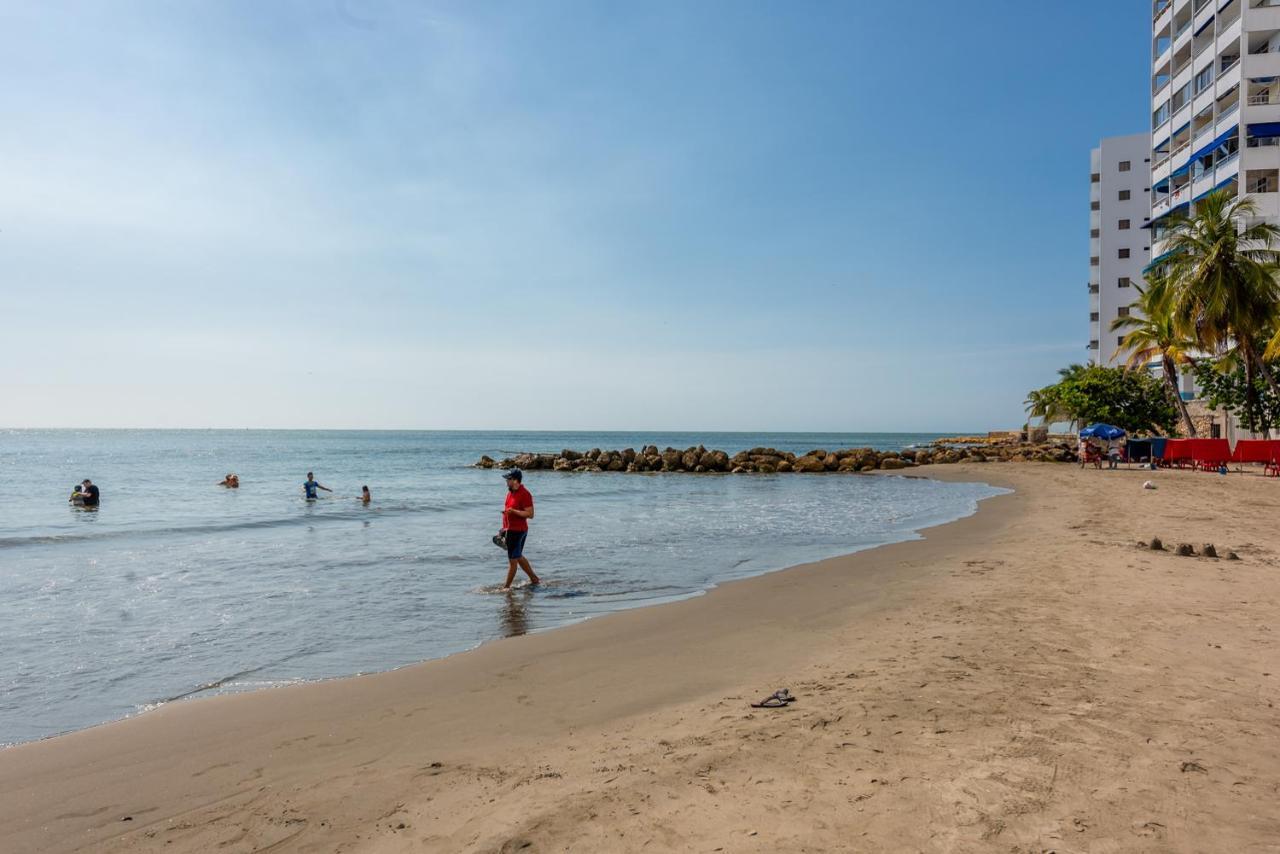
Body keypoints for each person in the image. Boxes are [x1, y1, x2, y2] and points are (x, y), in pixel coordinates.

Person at [500, 469, 539, 590]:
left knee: (513, 561)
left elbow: (530, 514)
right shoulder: (510, 493)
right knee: (518, 557)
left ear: (515, 480)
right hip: (510, 530)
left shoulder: (525, 494)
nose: (506, 482)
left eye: (508, 479)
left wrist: (514, 511)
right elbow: (508, 511)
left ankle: (506, 588)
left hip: (518, 531)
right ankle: (534, 579)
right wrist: (504, 528)